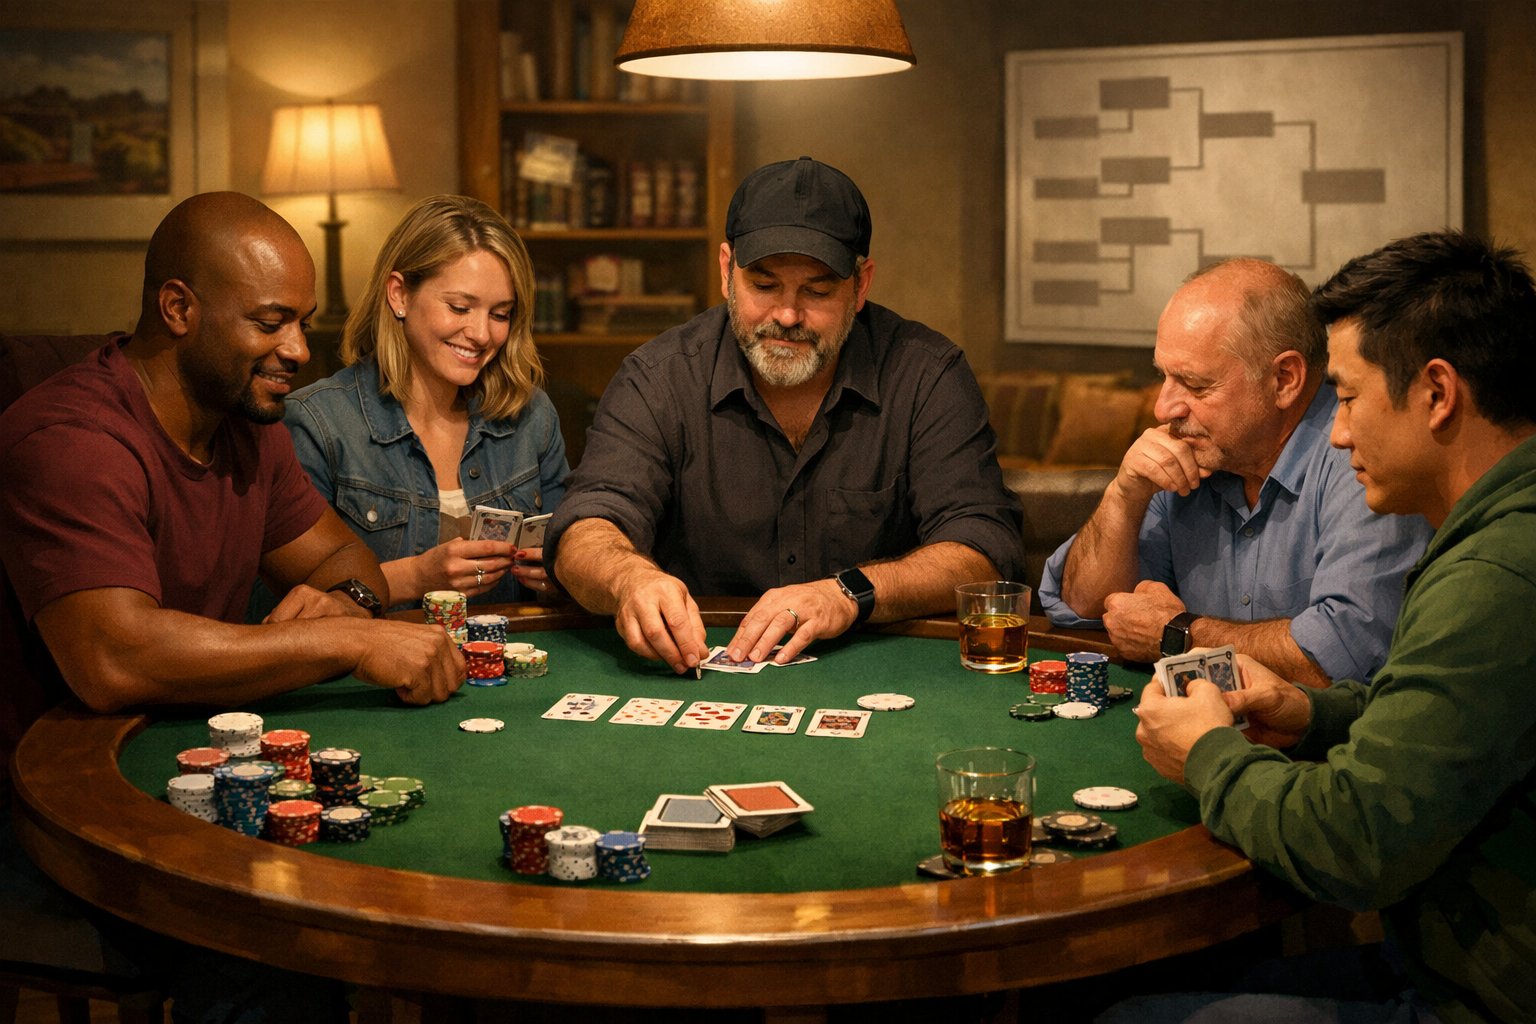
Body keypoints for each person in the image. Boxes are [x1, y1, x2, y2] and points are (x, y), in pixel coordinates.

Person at [0, 191, 463, 1022]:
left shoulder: (247, 424)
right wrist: (350, 644)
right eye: (270, 322)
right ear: (178, 308)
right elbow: (114, 659)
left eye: (303, 320)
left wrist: (346, 601)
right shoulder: (71, 440)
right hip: (47, 811)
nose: (298, 348)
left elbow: (343, 556)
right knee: (285, 938)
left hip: (194, 767)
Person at [1123, 231, 1536, 1024]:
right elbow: (1439, 727)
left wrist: (1208, 753)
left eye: (1346, 396)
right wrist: (1311, 712)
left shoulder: (1498, 578)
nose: (1338, 433)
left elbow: (1357, 845)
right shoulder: (1494, 529)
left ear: (1437, 393)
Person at [545, 157, 1024, 674]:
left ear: (861, 285)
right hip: (695, 677)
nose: (788, 315)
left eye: (817, 291)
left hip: (884, 673)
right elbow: (585, 525)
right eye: (765, 286)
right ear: (727, 270)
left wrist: (849, 592)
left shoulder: (928, 375)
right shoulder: (658, 377)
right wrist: (629, 579)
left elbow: (984, 546)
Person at [1038, 258, 1430, 686]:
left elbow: (1340, 654)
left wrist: (1181, 633)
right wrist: (1124, 495)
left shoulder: (1362, 457)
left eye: (1195, 385)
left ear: (1284, 379)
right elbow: (1084, 608)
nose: (1163, 408)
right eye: (1163, 376)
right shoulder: (1198, 453)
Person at [283, 194, 568, 610]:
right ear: (399, 295)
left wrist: (563, 574)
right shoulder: (317, 423)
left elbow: (567, 564)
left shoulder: (531, 416)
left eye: (500, 314)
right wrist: (416, 576)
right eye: (460, 307)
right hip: (376, 669)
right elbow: (288, 604)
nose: (482, 334)